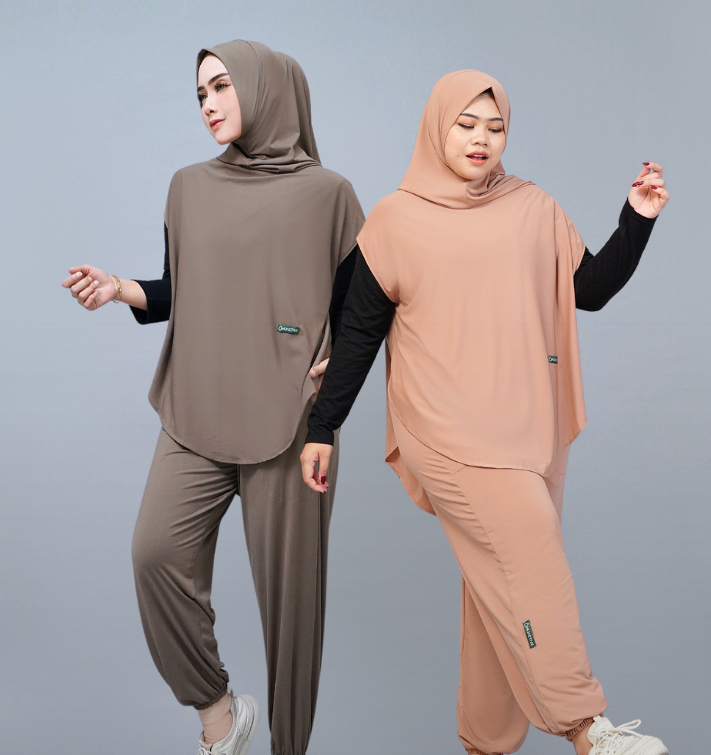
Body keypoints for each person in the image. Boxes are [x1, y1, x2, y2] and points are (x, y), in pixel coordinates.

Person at [300, 70, 670, 755]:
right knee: (528, 553)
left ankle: (485, 743)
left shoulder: (532, 207)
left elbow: (587, 289)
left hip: (525, 429)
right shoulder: (397, 218)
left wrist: (636, 219)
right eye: (465, 124)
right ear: (436, 128)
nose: (481, 139)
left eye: (494, 127)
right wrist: (323, 426)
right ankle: (585, 727)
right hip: (442, 428)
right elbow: (359, 330)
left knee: (495, 582)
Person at [62, 40, 363, 755]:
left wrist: (333, 387)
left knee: (291, 611)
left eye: (222, 86)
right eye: (200, 93)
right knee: (154, 553)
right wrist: (121, 289)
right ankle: (220, 718)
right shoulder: (187, 187)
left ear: (265, 89)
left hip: (291, 420)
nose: (208, 104)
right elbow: (182, 290)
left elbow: (357, 315)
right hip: (195, 405)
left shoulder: (329, 195)